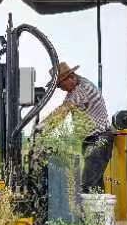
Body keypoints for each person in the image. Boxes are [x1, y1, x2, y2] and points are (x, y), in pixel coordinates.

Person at [36, 61, 114, 192]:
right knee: (95, 184)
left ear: (70, 77)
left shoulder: (82, 90)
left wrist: (39, 130)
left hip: (99, 140)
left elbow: (61, 112)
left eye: (60, 85)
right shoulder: (74, 90)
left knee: (88, 184)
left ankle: (92, 212)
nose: (61, 89)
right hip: (91, 140)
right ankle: (100, 211)